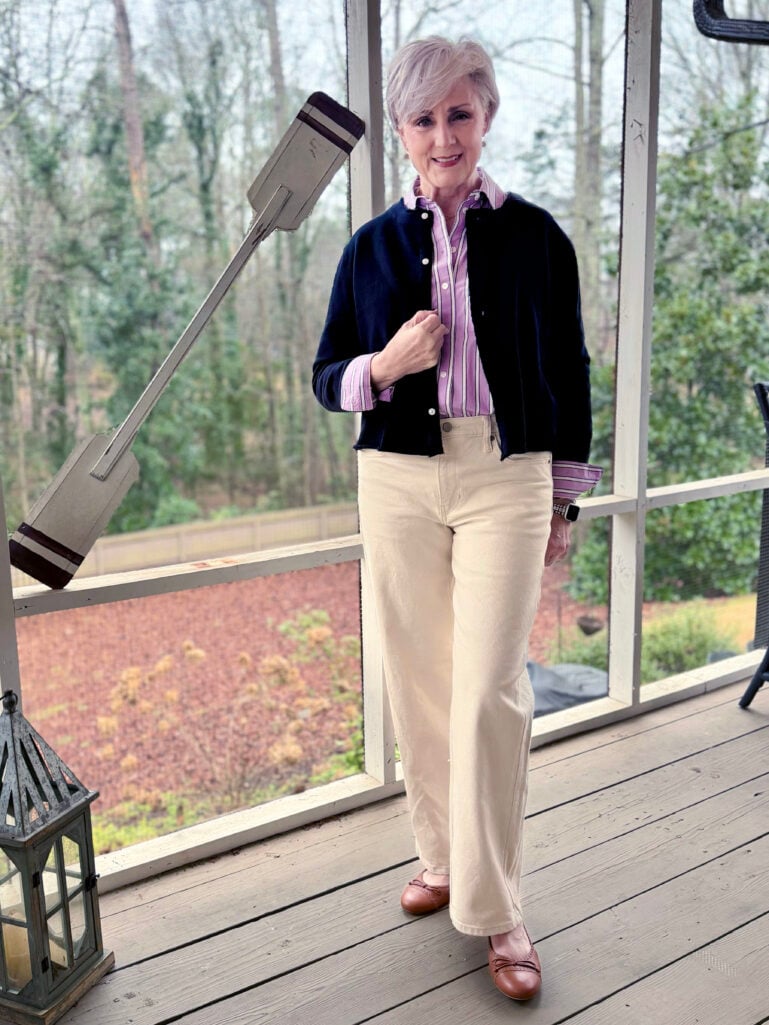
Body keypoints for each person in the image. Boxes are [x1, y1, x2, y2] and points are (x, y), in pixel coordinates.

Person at [312, 35, 601, 1001]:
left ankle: (497, 905)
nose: (444, 135)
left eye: (460, 114)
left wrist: (564, 498)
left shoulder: (537, 237)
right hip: (396, 478)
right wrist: (383, 367)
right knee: (421, 684)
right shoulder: (367, 248)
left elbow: (567, 372)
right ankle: (440, 859)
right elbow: (327, 377)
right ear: (400, 131)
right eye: (424, 118)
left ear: (486, 118)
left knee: (487, 691)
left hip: (505, 477)